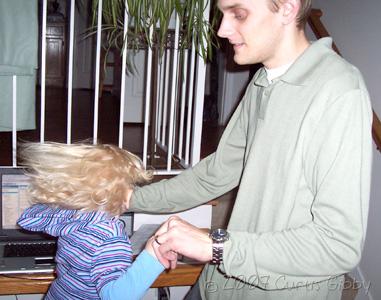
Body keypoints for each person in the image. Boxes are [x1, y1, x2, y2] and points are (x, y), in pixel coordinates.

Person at [129, 0, 373, 299]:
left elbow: (338, 245)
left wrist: (215, 246)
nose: (222, 29)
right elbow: (214, 176)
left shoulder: (340, 91)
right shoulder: (262, 81)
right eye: (223, 14)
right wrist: (125, 199)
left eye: (239, 14)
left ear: (287, 8)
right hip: (218, 282)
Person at [17, 142, 164, 300]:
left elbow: (27, 218)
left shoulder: (71, 215)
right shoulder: (110, 238)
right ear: (125, 195)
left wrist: (65, 202)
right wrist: (153, 257)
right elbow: (117, 296)